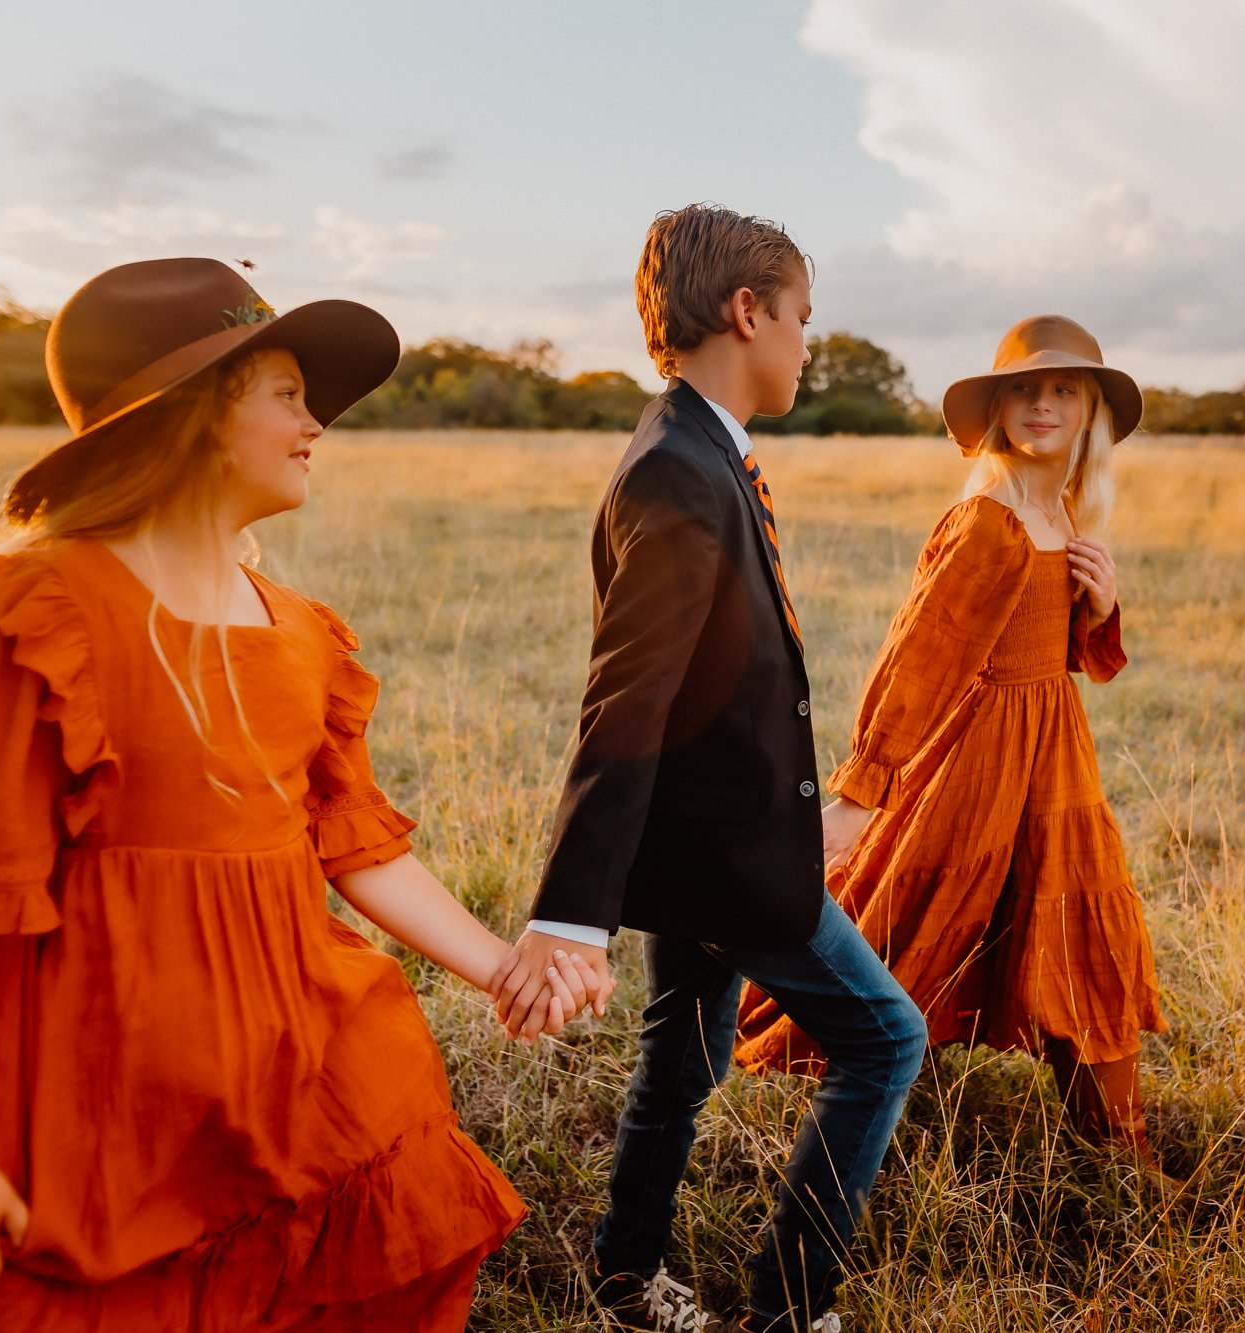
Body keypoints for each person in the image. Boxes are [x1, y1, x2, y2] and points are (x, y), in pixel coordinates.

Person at [0, 258, 588, 1332]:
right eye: (286, 394)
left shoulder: (297, 626)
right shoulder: (46, 609)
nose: (316, 423)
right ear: (195, 415)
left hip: (284, 1067)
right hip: (98, 1095)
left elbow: (355, 845)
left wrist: (503, 966)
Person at [488, 205, 927, 1333]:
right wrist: (570, 918)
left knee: (681, 1061)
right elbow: (622, 705)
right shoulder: (678, 473)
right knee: (886, 1039)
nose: (805, 345)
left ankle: (627, 1273)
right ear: (747, 311)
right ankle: (788, 1309)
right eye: (800, 321)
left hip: (697, 843)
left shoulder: (689, 449)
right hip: (731, 855)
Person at [735, 315, 1171, 1169]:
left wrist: (1102, 603)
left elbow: (1064, 655)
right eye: (1023, 388)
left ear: (1090, 413)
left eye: (1063, 391)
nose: (1041, 405)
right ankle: (853, 1086)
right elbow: (920, 659)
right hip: (976, 757)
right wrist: (862, 795)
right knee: (923, 921)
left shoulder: (1061, 510)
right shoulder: (990, 519)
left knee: (1081, 924)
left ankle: (1124, 1151)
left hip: (1053, 757)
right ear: (997, 405)